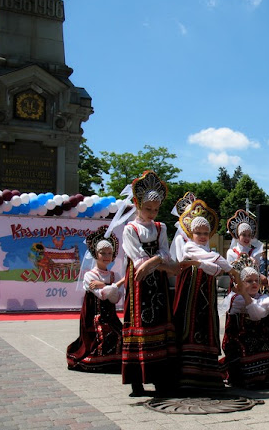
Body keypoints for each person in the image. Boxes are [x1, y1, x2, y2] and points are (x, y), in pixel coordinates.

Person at [120, 170, 179, 397]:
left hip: (158, 283)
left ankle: (160, 378)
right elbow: (138, 262)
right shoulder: (130, 229)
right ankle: (137, 381)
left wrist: (156, 260)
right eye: (148, 209)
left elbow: (164, 253)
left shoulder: (160, 227)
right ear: (138, 205)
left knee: (161, 321)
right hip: (139, 286)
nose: (153, 213)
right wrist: (159, 261)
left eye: (155, 209)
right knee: (140, 324)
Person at [172, 197, 240, 390]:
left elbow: (214, 268)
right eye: (198, 233)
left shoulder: (204, 249)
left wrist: (211, 265)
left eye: (205, 233)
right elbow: (212, 262)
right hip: (190, 292)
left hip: (206, 292)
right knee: (190, 327)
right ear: (190, 233)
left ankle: (207, 373)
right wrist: (226, 268)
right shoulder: (188, 246)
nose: (202, 236)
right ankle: (187, 375)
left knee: (206, 326)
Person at [221, 254, 269, 389]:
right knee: (252, 347)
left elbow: (268, 303)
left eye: (256, 280)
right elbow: (256, 312)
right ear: (241, 283)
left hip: (258, 333)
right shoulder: (237, 298)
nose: (254, 283)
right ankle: (249, 379)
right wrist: (243, 293)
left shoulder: (260, 296)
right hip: (239, 336)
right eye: (249, 281)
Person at [66, 225, 124, 373]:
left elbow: (115, 298)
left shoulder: (114, 276)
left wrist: (106, 284)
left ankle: (111, 361)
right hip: (94, 314)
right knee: (103, 334)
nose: (106, 256)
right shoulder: (90, 275)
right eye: (102, 252)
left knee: (120, 334)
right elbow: (103, 294)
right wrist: (113, 285)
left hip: (110, 315)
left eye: (109, 253)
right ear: (95, 253)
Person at [226, 209, 266, 283]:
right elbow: (231, 273)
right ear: (238, 235)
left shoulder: (255, 252)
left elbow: (258, 273)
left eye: (249, 235)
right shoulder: (231, 252)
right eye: (244, 235)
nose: (247, 238)